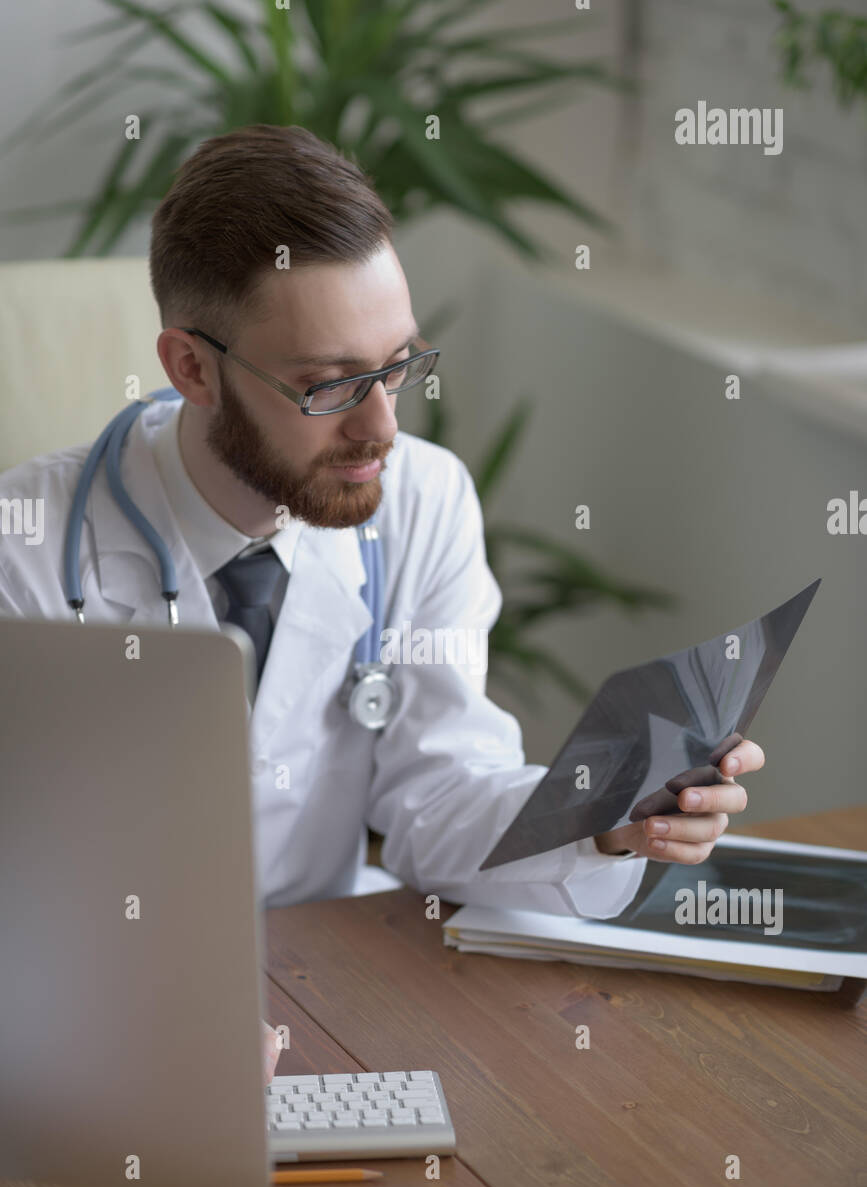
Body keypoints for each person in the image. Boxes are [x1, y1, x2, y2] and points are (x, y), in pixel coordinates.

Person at [0, 126, 765, 1081]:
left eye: (398, 365)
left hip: (328, 988)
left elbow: (437, 790)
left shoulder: (424, 499)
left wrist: (605, 813)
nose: (383, 427)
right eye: (330, 386)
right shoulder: (26, 552)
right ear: (191, 369)